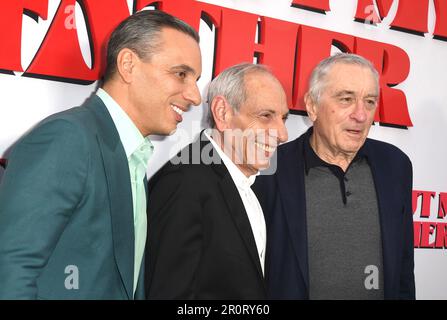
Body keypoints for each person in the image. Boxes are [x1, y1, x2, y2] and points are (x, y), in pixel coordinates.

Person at [0, 10, 202, 299]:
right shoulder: (68, 139)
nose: (195, 97)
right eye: (181, 74)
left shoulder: (131, 155)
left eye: (195, 79)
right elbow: (9, 275)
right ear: (128, 65)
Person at [253, 53, 415, 300]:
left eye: (370, 102)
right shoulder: (268, 168)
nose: (361, 115)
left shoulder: (395, 165)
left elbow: (403, 270)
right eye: (346, 99)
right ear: (312, 106)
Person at [145, 63, 289, 299]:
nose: (283, 134)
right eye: (265, 116)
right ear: (222, 112)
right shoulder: (183, 184)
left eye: (283, 118)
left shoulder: (251, 184)